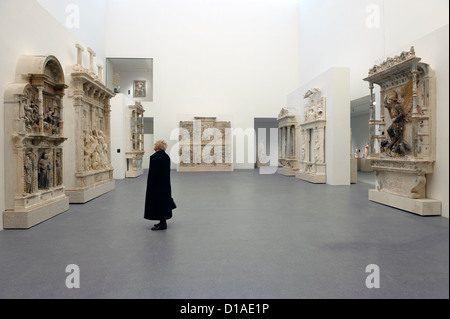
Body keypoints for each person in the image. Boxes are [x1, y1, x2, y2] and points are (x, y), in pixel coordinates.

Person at [144, 140, 173, 230]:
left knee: (158, 203)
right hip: (165, 184)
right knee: (163, 202)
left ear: (158, 146)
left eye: (155, 144)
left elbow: (153, 173)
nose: (154, 145)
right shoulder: (166, 156)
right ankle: (162, 222)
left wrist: (150, 184)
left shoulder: (155, 157)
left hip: (157, 185)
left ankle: (163, 224)